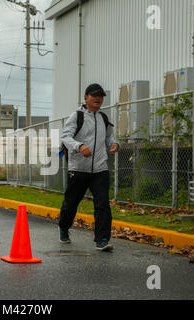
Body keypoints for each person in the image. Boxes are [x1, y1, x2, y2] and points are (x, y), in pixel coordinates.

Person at [58, 83, 119, 251]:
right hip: (78, 168)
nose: (98, 98)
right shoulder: (77, 116)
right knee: (71, 203)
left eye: (100, 96)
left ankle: (102, 239)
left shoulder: (103, 118)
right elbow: (65, 137)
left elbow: (109, 137)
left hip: (100, 168)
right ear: (86, 97)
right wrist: (80, 146)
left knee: (102, 204)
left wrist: (114, 144)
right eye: (94, 95)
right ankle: (63, 227)